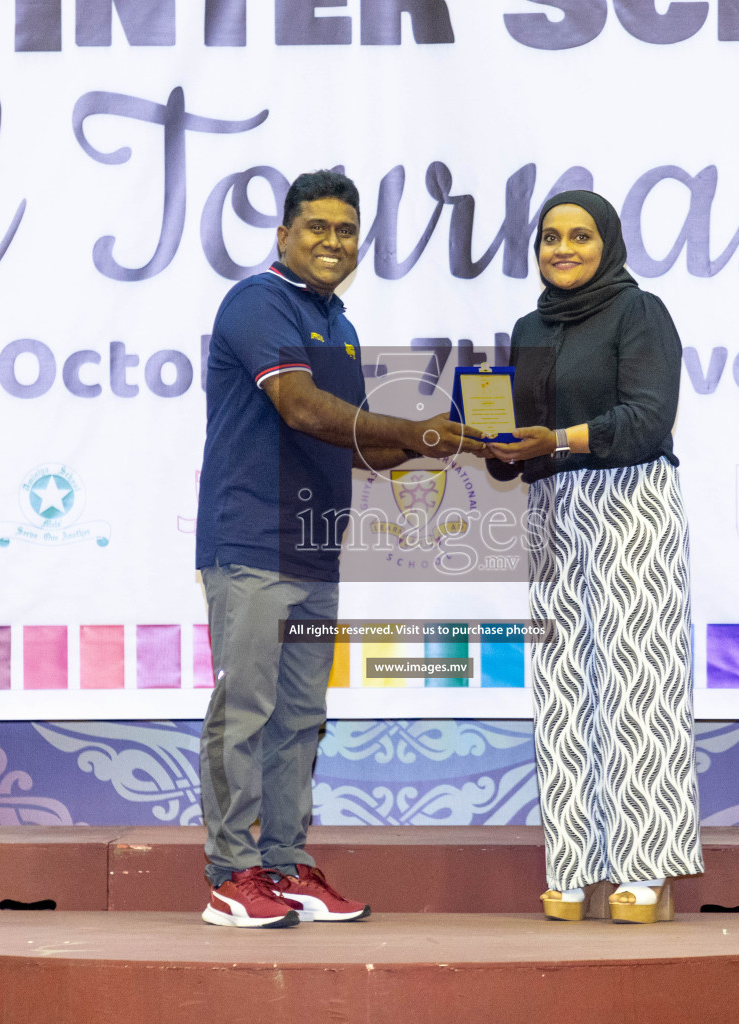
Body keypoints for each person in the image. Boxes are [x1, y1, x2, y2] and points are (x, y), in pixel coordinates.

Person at [194, 169, 485, 928]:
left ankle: (285, 865)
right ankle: (231, 873)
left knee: (299, 717)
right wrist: (412, 430)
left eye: (346, 231)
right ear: (284, 234)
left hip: (316, 551)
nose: (333, 242)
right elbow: (299, 407)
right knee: (247, 710)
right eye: (317, 228)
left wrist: (450, 434)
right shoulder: (258, 301)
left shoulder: (341, 325)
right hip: (251, 541)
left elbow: (354, 442)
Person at [486, 190, 702, 924]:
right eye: (550, 237)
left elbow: (647, 419)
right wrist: (490, 443)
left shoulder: (638, 313)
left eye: (580, 236)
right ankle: (573, 866)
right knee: (560, 685)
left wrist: (560, 439)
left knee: (637, 681)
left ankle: (645, 869)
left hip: (627, 499)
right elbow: (524, 434)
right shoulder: (529, 325)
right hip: (550, 509)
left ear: (607, 242)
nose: (563, 248)